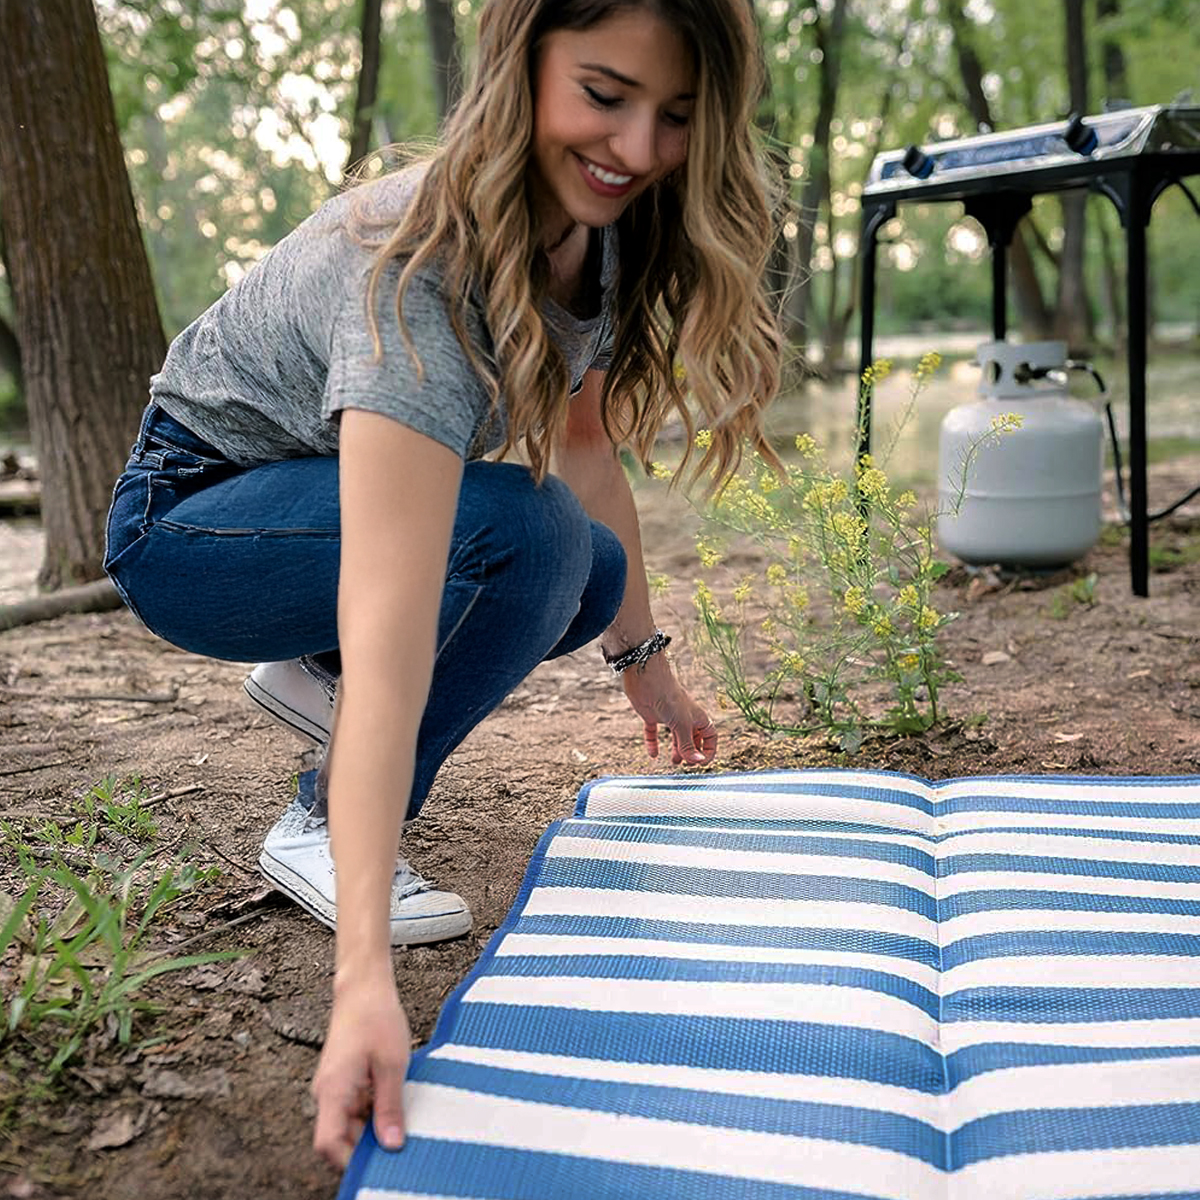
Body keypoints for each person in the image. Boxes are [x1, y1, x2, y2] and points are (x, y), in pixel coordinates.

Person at [104, 0, 781, 1170]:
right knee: (528, 538)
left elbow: (583, 445)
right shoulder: (415, 269)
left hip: (297, 510)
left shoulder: (601, 229)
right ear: (520, 67)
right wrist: (362, 973)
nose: (638, 150)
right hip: (188, 525)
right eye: (606, 96)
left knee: (586, 556)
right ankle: (322, 817)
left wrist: (647, 668)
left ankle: (313, 679)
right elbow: (399, 611)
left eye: (676, 117)